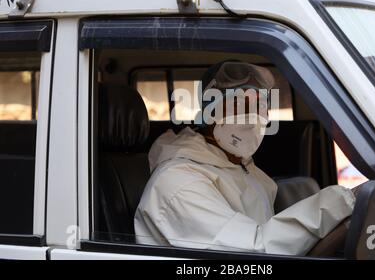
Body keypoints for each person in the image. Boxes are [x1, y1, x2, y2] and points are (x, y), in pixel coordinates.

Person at [134, 61, 355, 255]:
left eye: (260, 106)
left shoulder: (239, 166)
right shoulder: (178, 183)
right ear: (210, 112)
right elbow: (254, 252)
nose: (252, 119)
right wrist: (341, 201)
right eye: (237, 105)